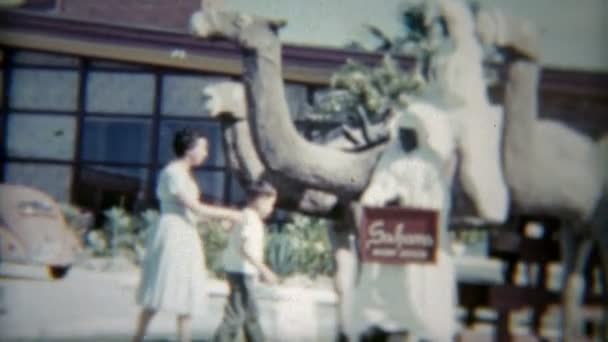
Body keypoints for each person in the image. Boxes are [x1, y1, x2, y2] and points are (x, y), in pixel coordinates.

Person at [133, 128, 242, 342]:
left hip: (185, 232)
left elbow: (194, 214)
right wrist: (232, 214)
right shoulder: (173, 173)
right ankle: (137, 338)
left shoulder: (183, 174)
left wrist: (219, 220)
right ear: (189, 149)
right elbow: (195, 207)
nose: (205, 153)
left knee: (185, 294)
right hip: (174, 233)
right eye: (203, 148)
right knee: (159, 291)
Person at [213, 180, 279, 342]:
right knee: (235, 315)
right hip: (242, 272)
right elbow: (245, 248)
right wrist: (264, 270)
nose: (271, 209)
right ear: (260, 201)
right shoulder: (250, 218)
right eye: (270, 204)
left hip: (242, 271)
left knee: (249, 314)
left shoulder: (246, 216)